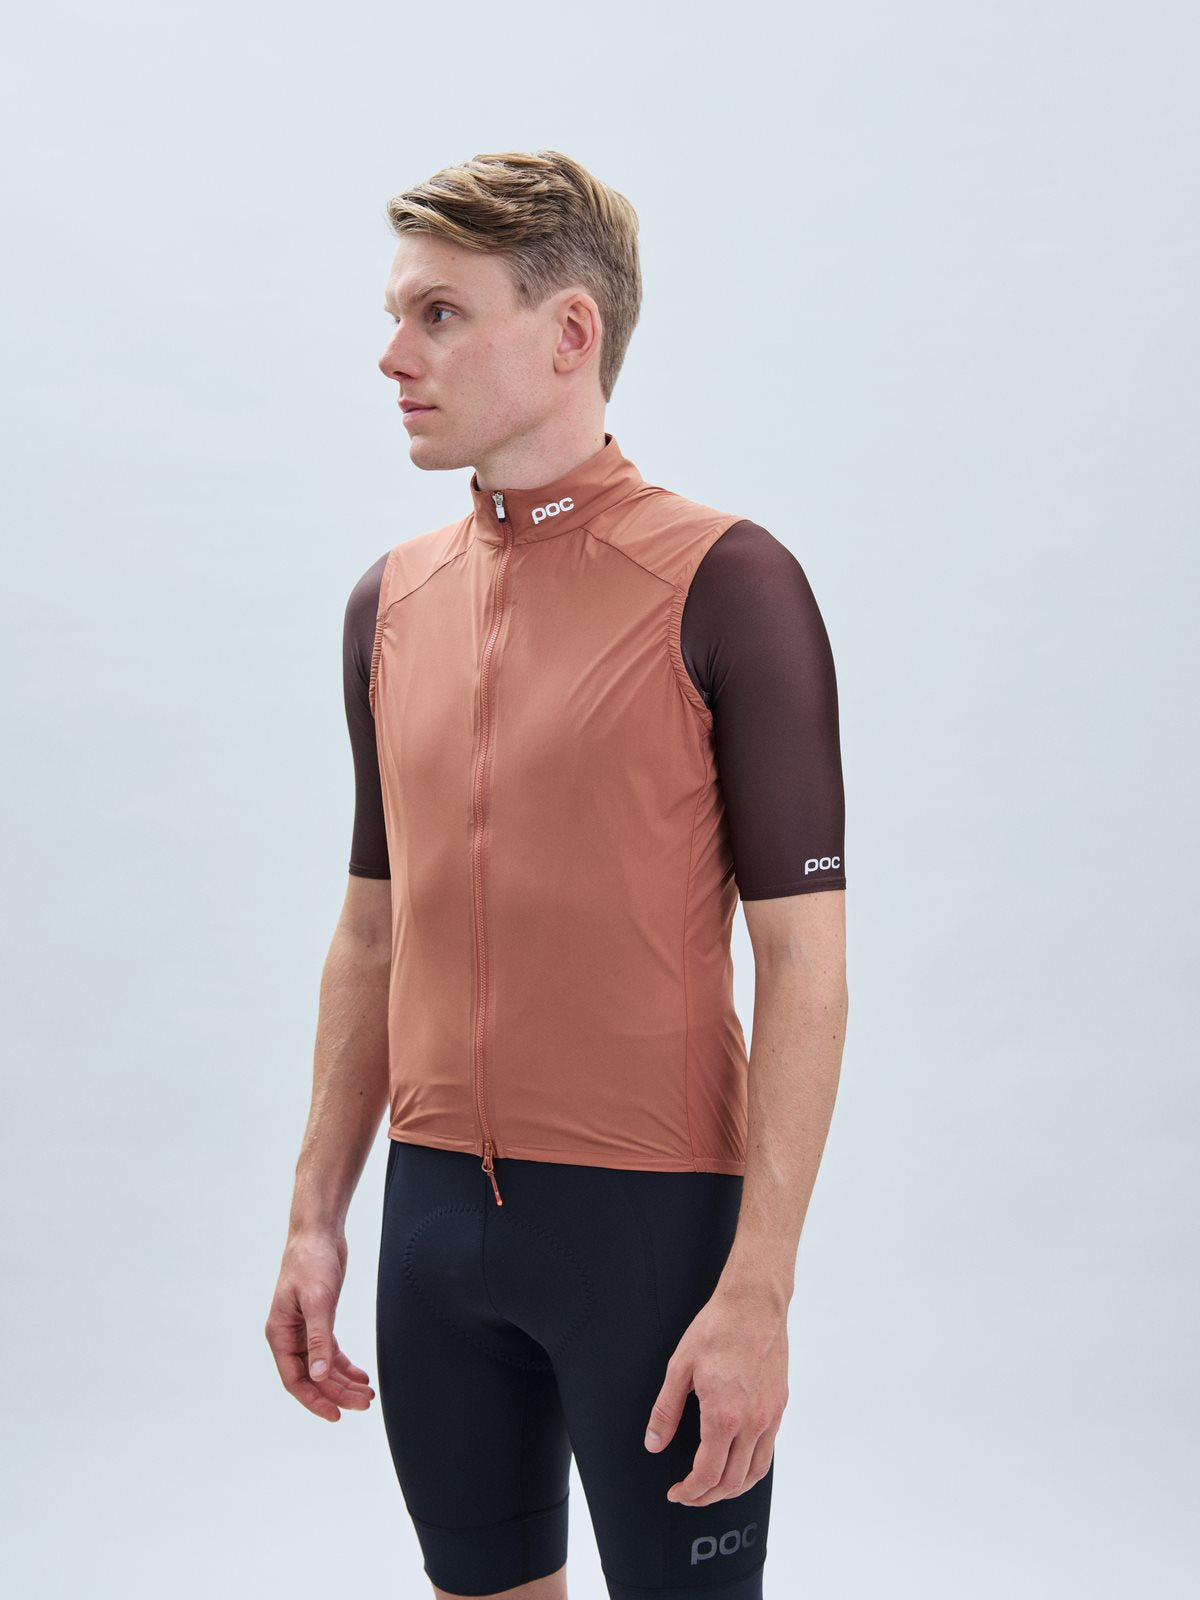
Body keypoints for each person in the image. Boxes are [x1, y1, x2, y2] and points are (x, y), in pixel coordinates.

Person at [265, 148, 848, 1600]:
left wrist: (761, 1287)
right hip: (431, 1233)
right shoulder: (388, 605)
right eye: (397, 316)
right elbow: (372, 933)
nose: (394, 356)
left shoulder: (730, 585)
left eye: (440, 315)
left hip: (651, 1239)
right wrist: (317, 1214)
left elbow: (805, 963)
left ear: (569, 332)